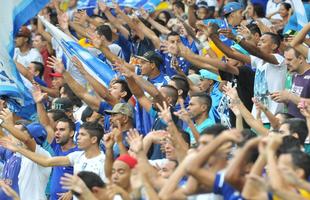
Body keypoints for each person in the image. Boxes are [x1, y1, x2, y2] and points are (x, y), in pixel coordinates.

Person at [0, 122, 106, 183]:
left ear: (93, 139)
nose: (78, 137)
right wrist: (18, 149)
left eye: (83, 135)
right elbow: (47, 162)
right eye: (78, 134)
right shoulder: (77, 156)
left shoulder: (104, 162)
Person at [271, 47, 310, 118]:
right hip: (293, 124)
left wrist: (289, 96)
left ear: (300, 59)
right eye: (285, 59)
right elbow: (295, 102)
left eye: (289, 59)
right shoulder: (294, 75)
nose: (286, 63)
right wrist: (284, 99)